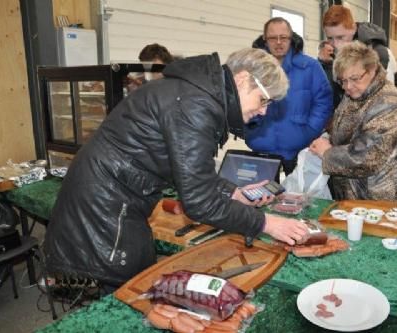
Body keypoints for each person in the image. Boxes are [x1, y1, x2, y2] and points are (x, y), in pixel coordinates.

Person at [44, 48, 310, 289]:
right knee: (122, 295)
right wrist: (266, 223)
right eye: (264, 100)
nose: (264, 112)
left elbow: (182, 168)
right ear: (241, 80)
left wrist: (233, 193)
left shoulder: (192, 94)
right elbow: (199, 203)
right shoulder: (195, 106)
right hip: (104, 210)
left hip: (108, 198)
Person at [309, 41, 397, 204]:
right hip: (357, 193)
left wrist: (327, 152)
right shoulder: (358, 92)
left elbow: (366, 157)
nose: (348, 87)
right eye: (343, 81)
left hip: (382, 199)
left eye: (354, 78)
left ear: (372, 69)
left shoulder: (389, 103)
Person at [248, 17, 332, 175]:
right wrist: (251, 129)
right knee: (261, 196)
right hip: (261, 144)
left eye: (284, 37)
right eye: (273, 38)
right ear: (265, 40)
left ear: (291, 38)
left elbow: (323, 102)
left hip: (298, 148)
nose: (278, 42)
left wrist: (310, 130)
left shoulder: (310, 67)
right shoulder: (252, 67)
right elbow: (239, 102)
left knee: (298, 197)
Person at [322, 5, 397, 93]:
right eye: (330, 38)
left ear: (353, 28)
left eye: (340, 37)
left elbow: (387, 97)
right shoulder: (338, 54)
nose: (336, 45)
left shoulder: (380, 53)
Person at [317, 40, 341, 111]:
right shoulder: (314, 68)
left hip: (336, 109)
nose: (332, 53)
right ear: (321, 51)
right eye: (329, 51)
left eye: (332, 51)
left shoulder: (337, 68)